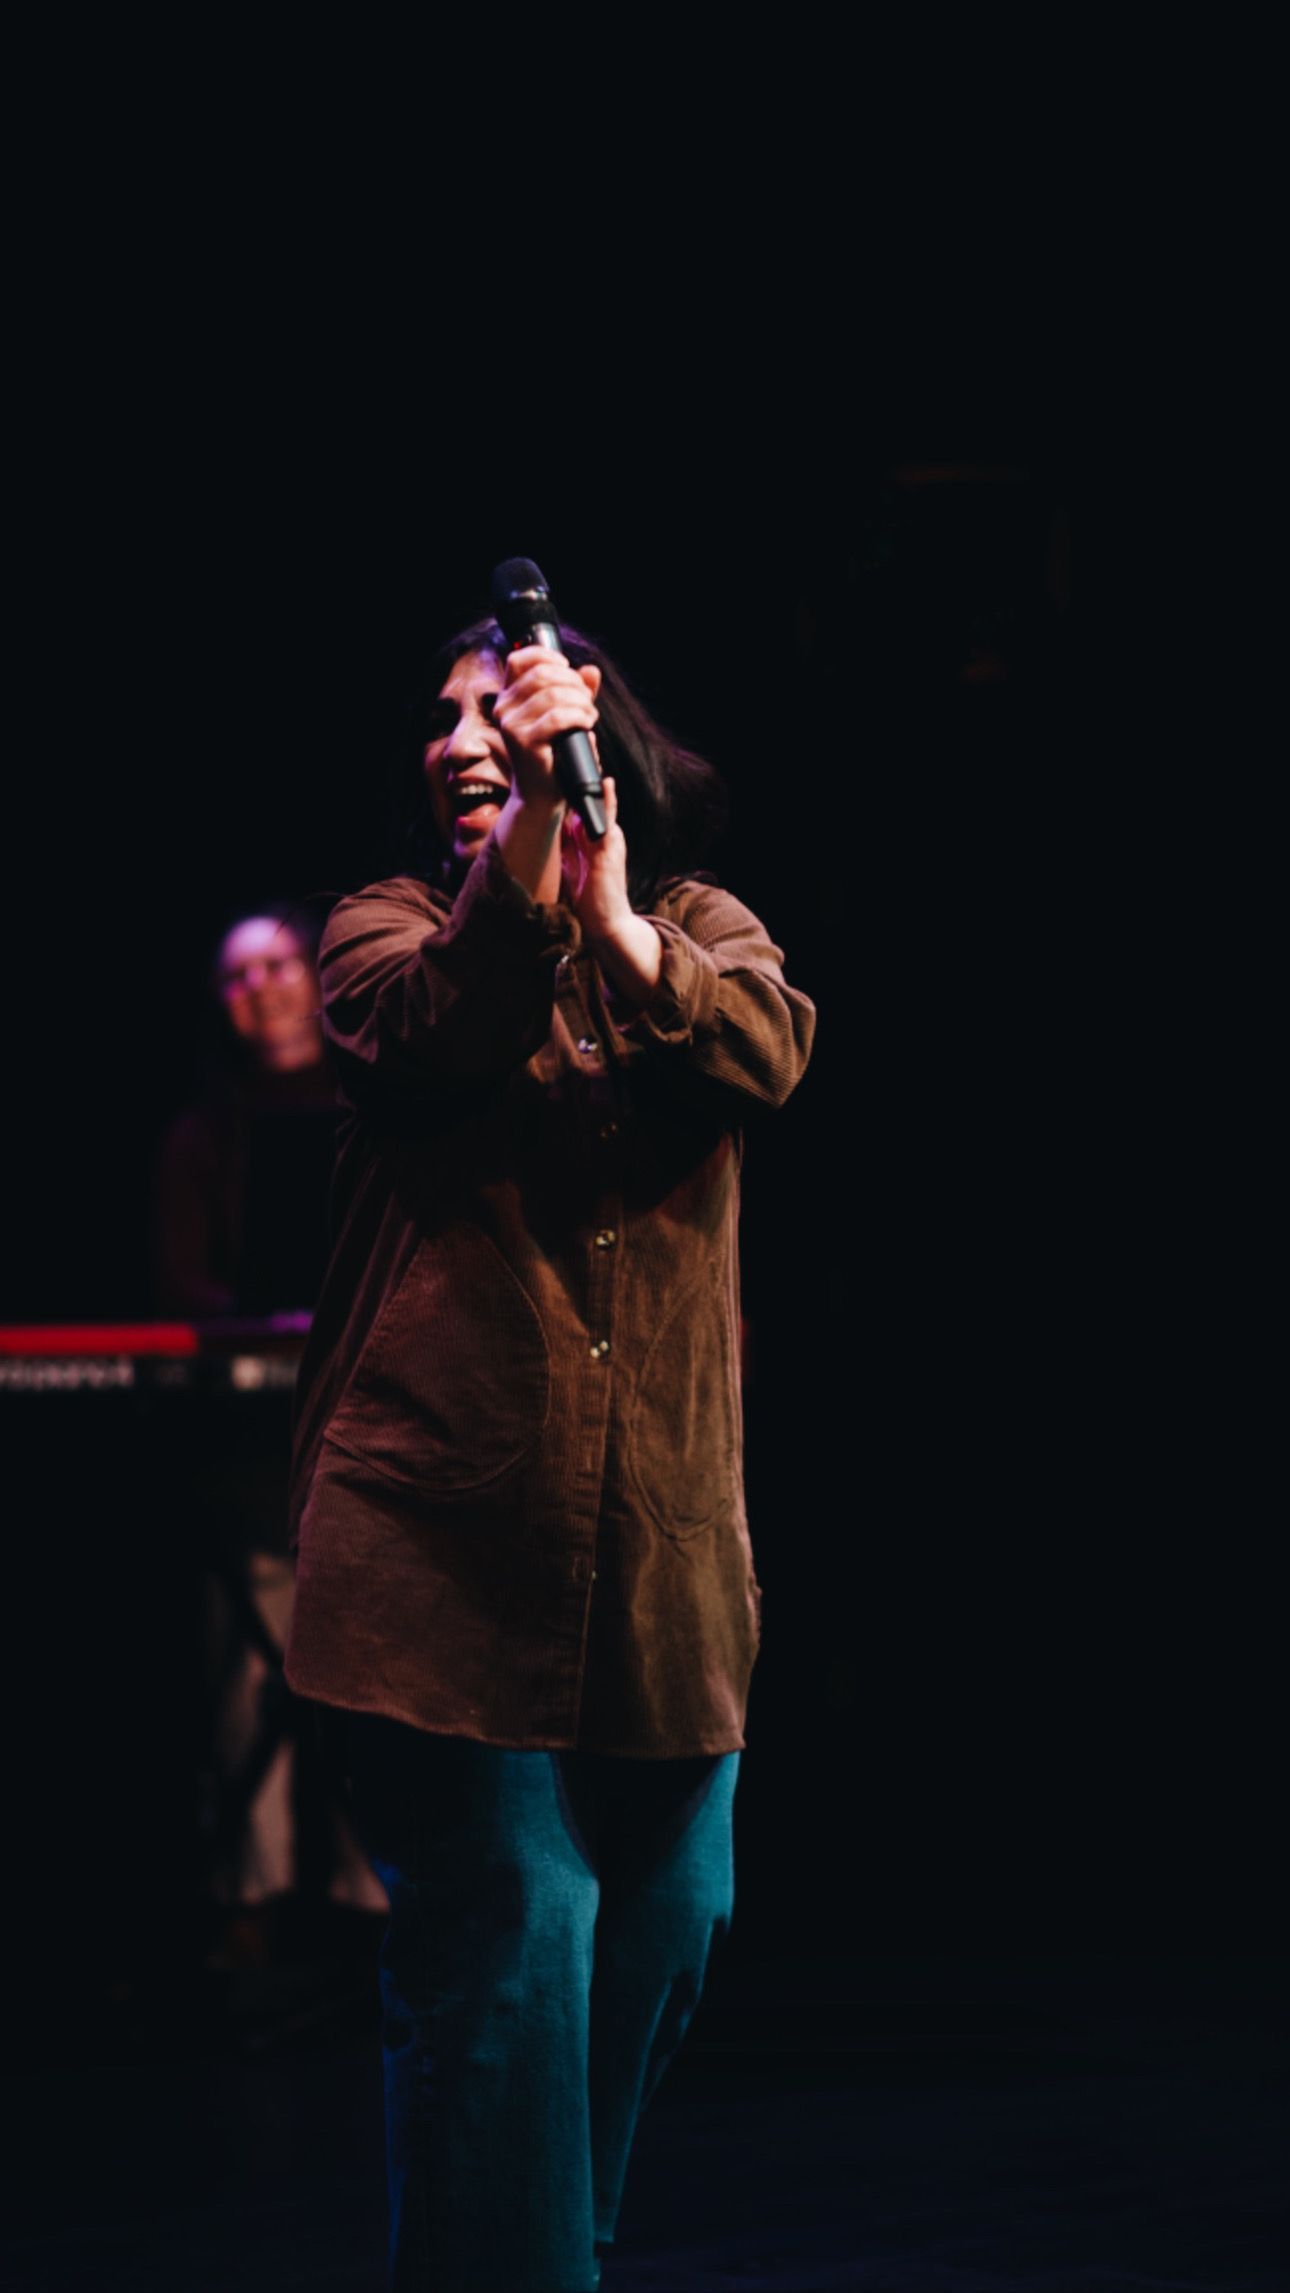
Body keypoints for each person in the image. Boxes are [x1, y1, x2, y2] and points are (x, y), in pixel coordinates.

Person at [284, 604, 815, 2292]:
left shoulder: (700, 927)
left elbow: (765, 1052)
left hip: (659, 1582)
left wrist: (613, 918)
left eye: (496, 713)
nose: (460, 740)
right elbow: (444, 1024)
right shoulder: (380, 930)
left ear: (600, 740)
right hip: (441, 1571)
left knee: (665, 1929)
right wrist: (530, 844)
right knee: (519, 1939)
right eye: (447, 721)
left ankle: (526, 2254)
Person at [153, 906, 386, 1950]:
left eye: (283, 963)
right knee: (250, 1665)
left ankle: (373, 1888)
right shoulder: (203, 1136)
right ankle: (253, 1891)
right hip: (252, 1445)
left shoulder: (376, 1102)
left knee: (378, 1670)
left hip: (372, 1437)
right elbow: (180, 1283)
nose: (266, 988)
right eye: (239, 976)